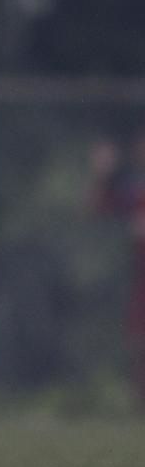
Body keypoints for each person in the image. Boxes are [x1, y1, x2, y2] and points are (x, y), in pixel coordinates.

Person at [88, 130, 145, 408]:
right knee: (138, 339)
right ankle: (139, 400)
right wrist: (102, 172)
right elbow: (96, 208)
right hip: (139, 274)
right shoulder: (131, 187)